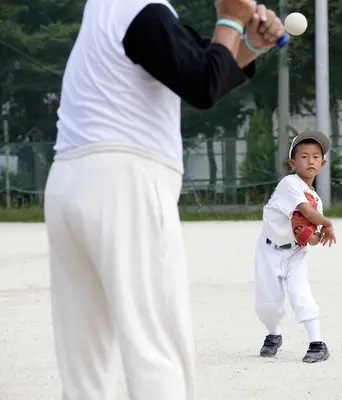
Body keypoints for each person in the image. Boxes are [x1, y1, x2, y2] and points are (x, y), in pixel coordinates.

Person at [43, 0, 285, 398]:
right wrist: (230, 18)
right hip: (124, 183)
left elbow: (205, 65)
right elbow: (203, 85)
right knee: (156, 344)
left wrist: (249, 45)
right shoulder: (145, 10)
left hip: (69, 180)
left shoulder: (110, 9)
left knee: (84, 357)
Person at [254, 130, 337, 363]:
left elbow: (311, 237)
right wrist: (327, 224)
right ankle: (273, 335)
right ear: (293, 163)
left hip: (295, 253)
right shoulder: (289, 183)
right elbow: (307, 213)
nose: (310, 160)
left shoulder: (317, 199)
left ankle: (317, 344)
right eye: (303, 156)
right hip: (268, 250)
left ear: (323, 163)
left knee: (301, 294)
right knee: (267, 303)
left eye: (316, 156)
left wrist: (313, 235)